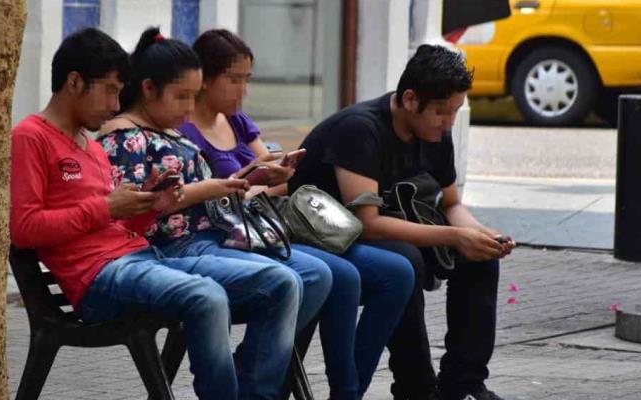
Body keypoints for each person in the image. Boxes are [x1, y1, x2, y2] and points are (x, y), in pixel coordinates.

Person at [9, 28, 300, 400]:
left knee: (282, 283)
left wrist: (151, 206)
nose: (116, 104)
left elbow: (116, 224)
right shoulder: (31, 136)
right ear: (75, 82)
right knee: (207, 296)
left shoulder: (89, 146)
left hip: (141, 258)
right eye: (110, 90)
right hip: (96, 279)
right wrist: (106, 207)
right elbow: (24, 228)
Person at [178, 28, 414, 400]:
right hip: (231, 237)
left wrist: (276, 175)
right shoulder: (186, 131)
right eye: (234, 79)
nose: (243, 90)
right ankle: (285, 377)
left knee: (397, 271)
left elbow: (276, 181)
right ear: (204, 79)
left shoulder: (236, 121)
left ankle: (346, 390)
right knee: (340, 276)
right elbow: (199, 202)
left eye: (247, 79)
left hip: (270, 225)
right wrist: (253, 182)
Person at [97, 27, 331, 399]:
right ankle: (253, 389)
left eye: (193, 96)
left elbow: (204, 188)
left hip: (214, 237)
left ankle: (249, 374)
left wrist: (250, 177)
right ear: (148, 89)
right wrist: (210, 189)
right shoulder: (125, 138)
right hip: (174, 247)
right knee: (284, 283)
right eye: (182, 96)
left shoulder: (169, 130)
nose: (190, 108)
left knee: (316, 275)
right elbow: (135, 208)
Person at [289, 44, 516, 400]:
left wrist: (483, 235)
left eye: (456, 112)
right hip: (326, 237)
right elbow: (368, 223)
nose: (449, 123)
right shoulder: (360, 129)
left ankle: (463, 384)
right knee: (405, 260)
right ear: (410, 99)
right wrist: (455, 235)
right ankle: (416, 388)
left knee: (480, 258)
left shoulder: (436, 133)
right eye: (442, 112)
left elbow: (451, 204)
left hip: (388, 229)